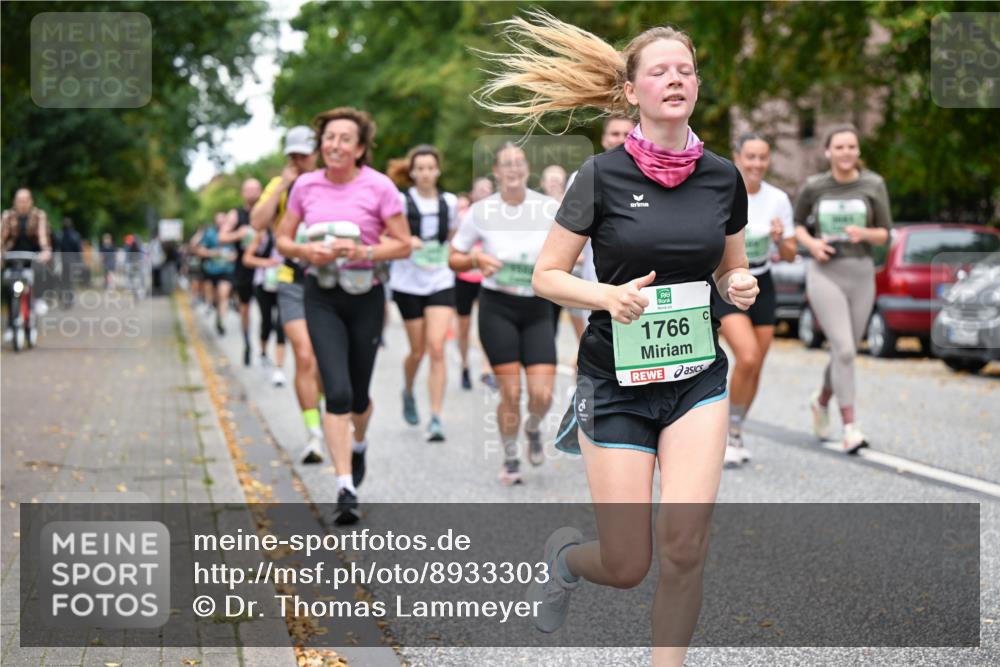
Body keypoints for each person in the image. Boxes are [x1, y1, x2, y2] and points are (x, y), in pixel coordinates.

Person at [476, 13, 757, 665]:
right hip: (616, 382)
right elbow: (547, 275)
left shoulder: (722, 177)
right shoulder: (599, 176)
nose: (676, 78)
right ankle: (566, 558)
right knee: (628, 562)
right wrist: (605, 295)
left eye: (685, 69)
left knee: (685, 544)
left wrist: (738, 284)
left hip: (695, 380)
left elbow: (730, 266)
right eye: (659, 70)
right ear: (631, 92)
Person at [276, 107, 411, 524]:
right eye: (329, 137)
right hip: (321, 295)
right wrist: (304, 252)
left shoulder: (379, 187)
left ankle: (359, 443)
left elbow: (404, 244)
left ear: (361, 148)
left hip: (366, 295)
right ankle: (344, 486)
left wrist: (364, 251)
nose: (334, 145)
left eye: (344, 139)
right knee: (335, 392)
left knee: (357, 396)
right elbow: (282, 238)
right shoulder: (305, 186)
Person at [449, 143, 559, 484]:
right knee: (510, 392)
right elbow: (454, 257)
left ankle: (533, 426)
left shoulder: (548, 208)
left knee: (541, 394)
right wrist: (475, 260)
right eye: (506, 164)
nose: (513, 169)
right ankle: (511, 455)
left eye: (519, 163)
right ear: (496, 172)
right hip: (498, 306)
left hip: (539, 307)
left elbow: (573, 252)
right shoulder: (481, 212)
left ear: (528, 169)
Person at [794, 123, 892, 454]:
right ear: (828, 152)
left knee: (843, 350)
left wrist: (863, 234)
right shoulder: (814, 186)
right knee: (846, 350)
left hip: (861, 273)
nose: (846, 153)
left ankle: (820, 400)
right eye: (839, 147)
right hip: (825, 273)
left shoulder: (873, 185)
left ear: (858, 151)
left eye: (851, 147)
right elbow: (797, 226)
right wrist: (813, 244)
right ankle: (851, 426)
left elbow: (884, 234)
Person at [719, 133, 796, 467]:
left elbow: (792, 255)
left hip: (762, 281)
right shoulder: (723, 191)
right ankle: (723, 432)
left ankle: (735, 431)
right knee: (747, 357)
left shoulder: (778, 199)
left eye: (762, 157)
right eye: (750, 157)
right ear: (737, 156)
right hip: (727, 282)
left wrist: (781, 240)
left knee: (756, 367)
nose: (756, 164)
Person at [252, 125, 326, 464]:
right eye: (293, 154)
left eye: (304, 153)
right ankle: (313, 434)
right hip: (291, 278)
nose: (298, 159)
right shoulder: (280, 186)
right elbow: (257, 222)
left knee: (326, 361)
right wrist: (282, 183)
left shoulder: (330, 180)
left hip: (327, 279)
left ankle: (329, 413)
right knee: (305, 354)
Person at [387, 145, 459, 442]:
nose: (427, 173)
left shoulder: (450, 202)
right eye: (421, 168)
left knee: (437, 347)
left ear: (437, 170)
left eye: (431, 167)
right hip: (407, 281)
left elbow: (454, 236)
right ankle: (407, 388)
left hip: (440, 279)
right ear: (412, 172)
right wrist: (407, 241)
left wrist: (449, 252)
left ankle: (436, 417)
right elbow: (385, 234)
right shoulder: (401, 202)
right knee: (417, 351)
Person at [565, 116, 638, 346]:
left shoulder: (650, 176)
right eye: (615, 134)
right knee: (600, 345)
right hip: (597, 279)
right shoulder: (584, 177)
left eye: (627, 134)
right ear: (604, 139)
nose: (621, 139)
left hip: (641, 279)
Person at [453, 176, 496, 390]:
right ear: (472, 194)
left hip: (486, 278)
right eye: (481, 189)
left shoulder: (499, 217)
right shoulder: (464, 216)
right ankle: (464, 365)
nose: (485, 193)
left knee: (487, 325)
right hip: (464, 278)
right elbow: (454, 247)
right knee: (463, 326)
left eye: (489, 189)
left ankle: (487, 368)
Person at [2, 188, 52, 338]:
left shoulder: (39, 216)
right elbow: (2, 235)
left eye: (25, 200)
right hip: (12, 256)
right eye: (19, 200)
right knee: (9, 289)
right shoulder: (7, 216)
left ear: (30, 202)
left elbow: (43, 236)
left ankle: (39, 299)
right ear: (15, 202)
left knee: (41, 271)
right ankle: (11, 326)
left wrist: (45, 251)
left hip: (33, 256)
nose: (22, 203)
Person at [242, 225, 287, 386]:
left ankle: (279, 368)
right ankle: (262, 352)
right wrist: (266, 262)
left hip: (285, 284)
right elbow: (247, 258)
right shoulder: (262, 234)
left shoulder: (291, 231)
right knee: (266, 321)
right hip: (264, 284)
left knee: (282, 324)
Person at [228, 179, 263, 366]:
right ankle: (247, 342)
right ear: (242, 193)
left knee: (269, 309)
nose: (252, 193)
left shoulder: (267, 211)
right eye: (248, 189)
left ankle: (264, 346)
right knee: (245, 309)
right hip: (243, 269)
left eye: (255, 189)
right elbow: (222, 236)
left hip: (265, 267)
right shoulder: (236, 215)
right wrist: (238, 234)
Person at [198, 212, 237, 335]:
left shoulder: (232, 232)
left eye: (223, 220)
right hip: (211, 270)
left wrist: (234, 256)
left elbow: (239, 250)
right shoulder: (209, 233)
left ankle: (221, 321)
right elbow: (200, 250)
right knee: (215, 297)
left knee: (223, 295)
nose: (221, 222)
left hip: (227, 270)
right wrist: (212, 253)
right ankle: (215, 310)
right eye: (218, 220)